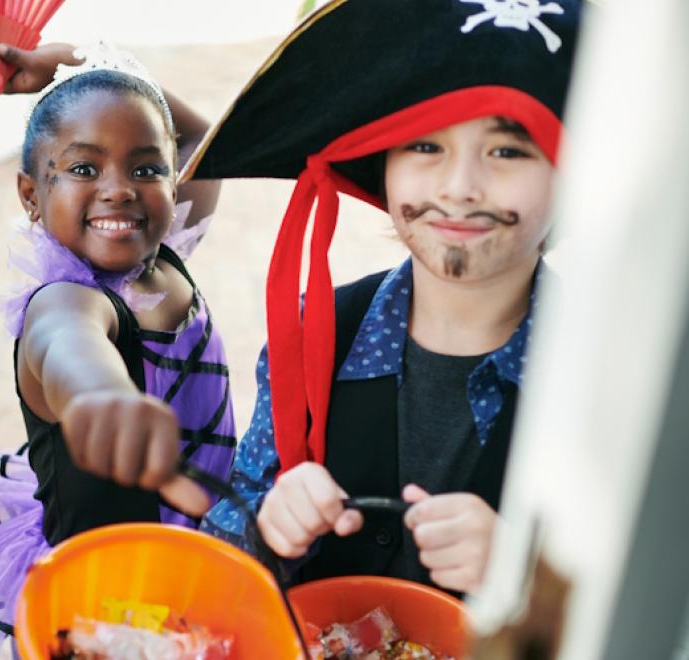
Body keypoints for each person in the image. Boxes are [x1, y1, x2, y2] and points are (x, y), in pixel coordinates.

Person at [195, 0, 584, 595]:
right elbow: (221, 555)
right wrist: (267, 527)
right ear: (382, 164)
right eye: (425, 146)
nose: (459, 187)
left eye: (507, 151)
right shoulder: (318, 334)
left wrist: (530, 580)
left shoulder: (612, 375)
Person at [0, 43, 230, 657]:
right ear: (31, 195)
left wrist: (78, 60)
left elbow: (205, 138)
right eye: (83, 169)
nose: (119, 190)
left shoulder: (166, 254)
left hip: (199, 555)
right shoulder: (66, 302)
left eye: (146, 170)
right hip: (111, 601)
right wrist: (101, 395)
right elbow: (69, 345)